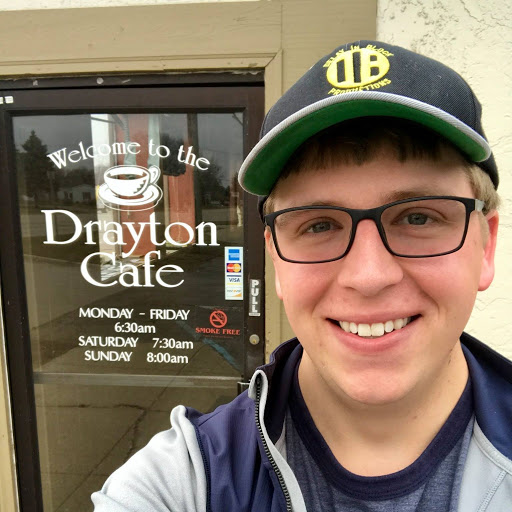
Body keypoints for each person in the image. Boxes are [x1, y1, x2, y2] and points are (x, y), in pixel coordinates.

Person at [92, 40, 512, 512]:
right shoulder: (184, 482)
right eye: (318, 225)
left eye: (418, 218)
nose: (368, 275)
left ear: (486, 246)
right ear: (275, 258)